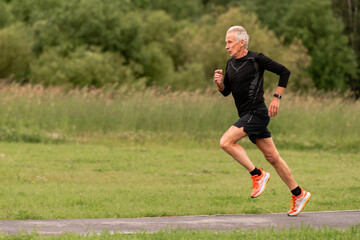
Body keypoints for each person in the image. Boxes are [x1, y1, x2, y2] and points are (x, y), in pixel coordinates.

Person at [213, 26, 311, 216]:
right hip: (246, 115)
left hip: (257, 113)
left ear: (242, 42)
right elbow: (226, 92)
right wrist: (219, 84)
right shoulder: (230, 64)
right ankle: (298, 194)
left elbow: (284, 72)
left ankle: (257, 174)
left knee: (226, 142)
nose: (226, 46)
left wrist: (276, 97)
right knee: (273, 158)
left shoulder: (257, 59)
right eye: (226, 42)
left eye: (229, 42)